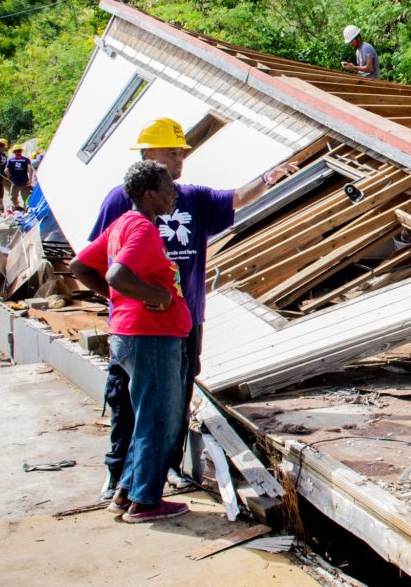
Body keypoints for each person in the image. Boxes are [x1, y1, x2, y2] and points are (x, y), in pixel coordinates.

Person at [90, 118, 296, 499]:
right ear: (148, 154)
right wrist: (126, 302)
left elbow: (235, 198)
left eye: (182, 153)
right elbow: (97, 261)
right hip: (141, 326)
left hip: (185, 321)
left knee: (175, 400)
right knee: (128, 401)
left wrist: (268, 178)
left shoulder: (191, 197)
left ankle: (160, 470)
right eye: (171, 153)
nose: (179, 160)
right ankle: (119, 474)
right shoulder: (123, 201)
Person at [71, 160, 192, 523]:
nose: (174, 191)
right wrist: (159, 298)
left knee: (147, 418)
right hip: (150, 337)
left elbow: (80, 266)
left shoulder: (122, 224)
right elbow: (116, 274)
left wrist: (118, 299)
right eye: (167, 186)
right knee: (159, 419)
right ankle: (145, 502)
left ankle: (126, 492)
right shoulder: (141, 229)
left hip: (129, 334)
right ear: (148, 194)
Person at [5, 143, 32, 211]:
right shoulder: (26, 159)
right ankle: (25, 210)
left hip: (16, 181)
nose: (17, 152)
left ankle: (17, 207)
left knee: (13, 196)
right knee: (26, 198)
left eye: (18, 150)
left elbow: (6, 170)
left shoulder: (10, 160)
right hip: (23, 181)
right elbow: (30, 169)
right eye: (16, 151)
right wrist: (30, 179)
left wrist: (9, 177)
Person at [0, 138, 7, 211]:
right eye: (3, 148)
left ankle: (1, 206)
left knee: (0, 191)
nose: (4, 149)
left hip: (1, 177)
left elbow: (5, 165)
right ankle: (0, 206)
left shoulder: (3, 155)